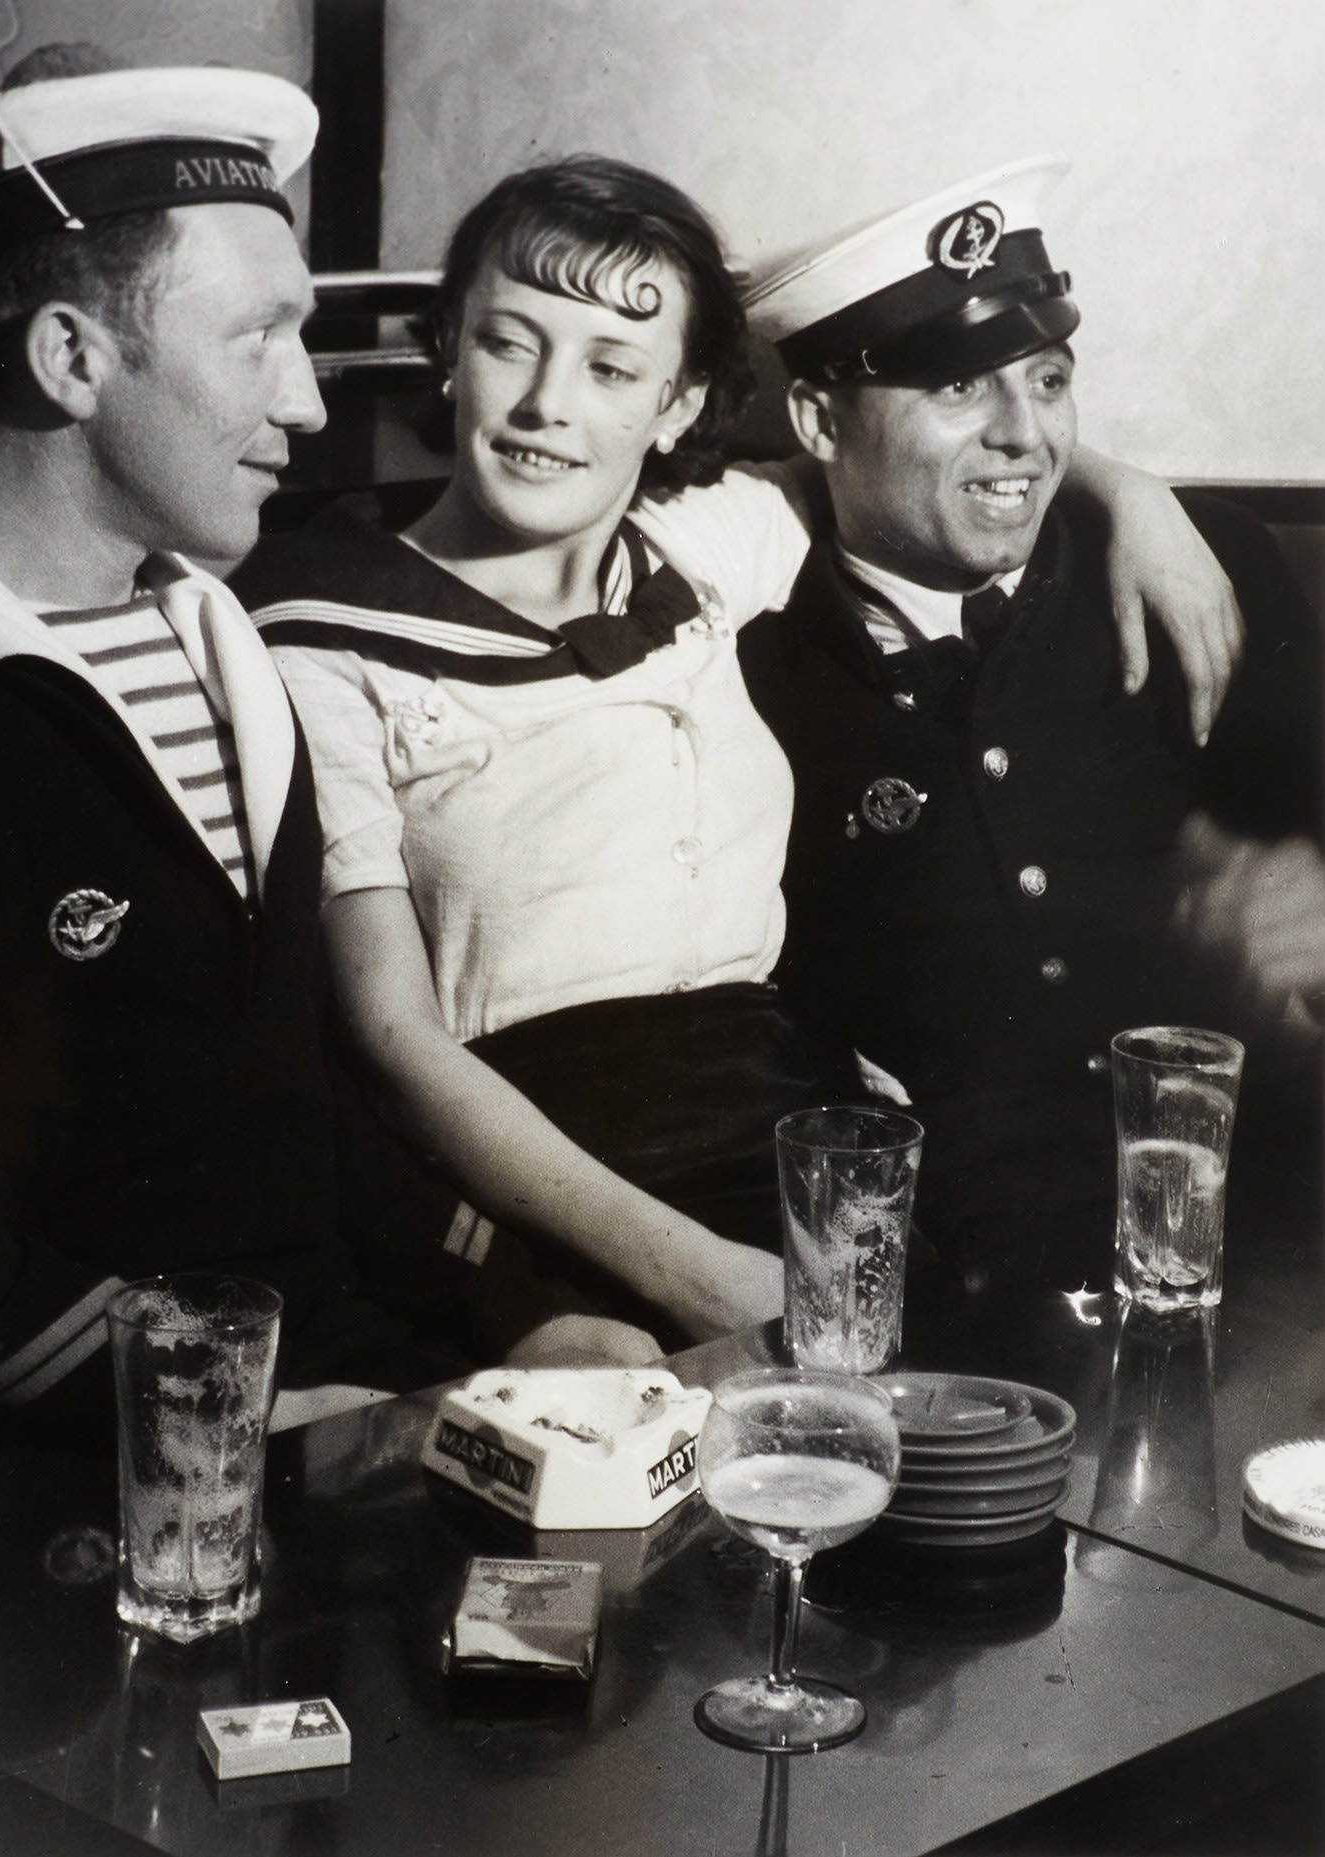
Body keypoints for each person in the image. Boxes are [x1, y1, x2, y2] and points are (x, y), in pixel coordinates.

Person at [233, 156, 1243, 1365]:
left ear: (674, 407)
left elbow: (927, 448)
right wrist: (712, 1280)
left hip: (774, 1128)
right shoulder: (318, 634)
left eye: (612, 368)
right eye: (510, 343)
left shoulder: (711, 542)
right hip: (523, 1172)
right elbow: (393, 1043)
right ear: (448, 351)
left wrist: (1134, 494)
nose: (549, 404)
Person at [0, 45, 444, 1456]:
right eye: (258, 338)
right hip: (58, 1476)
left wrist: (519, 1312)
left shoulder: (221, 632)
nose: (311, 403)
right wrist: (240, 1414)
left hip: (324, 1386)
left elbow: (293, 1098)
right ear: (70, 358)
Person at [640, 157, 1322, 1314]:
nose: (1025, 436)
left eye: (1048, 379)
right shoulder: (748, 669)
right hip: (955, 1296)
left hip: (1275, 1259)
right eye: (960, 392)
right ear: (816, 419)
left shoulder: (1201, 571)